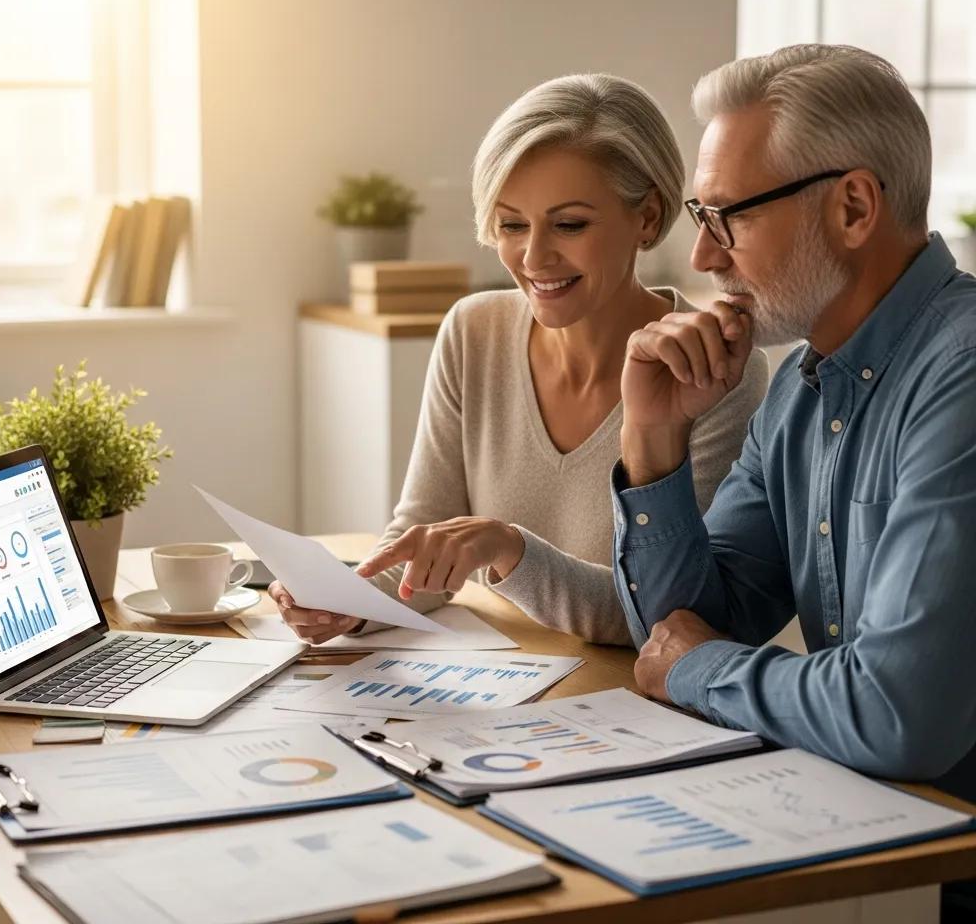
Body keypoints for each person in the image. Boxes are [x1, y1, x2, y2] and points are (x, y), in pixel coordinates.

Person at [272, 73, 767, 645]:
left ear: (648, 217)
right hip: (513, 696)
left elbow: (673, 619)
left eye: (569, 224)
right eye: (511, 224)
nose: (534, 257)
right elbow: (426, 546)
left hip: (639, 708)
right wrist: (348, 598)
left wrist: (510, 550)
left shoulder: (711, 368)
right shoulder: (473, 329)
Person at [612, 44, 976, 809]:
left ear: (852, 207)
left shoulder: (963, 378)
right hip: (870, 826)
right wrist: (653, 437)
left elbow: (898, 717)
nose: (704, 254)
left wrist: (700, 668)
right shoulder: (801, 390)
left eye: (728, 217)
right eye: (699, 217)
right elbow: (679, 630)